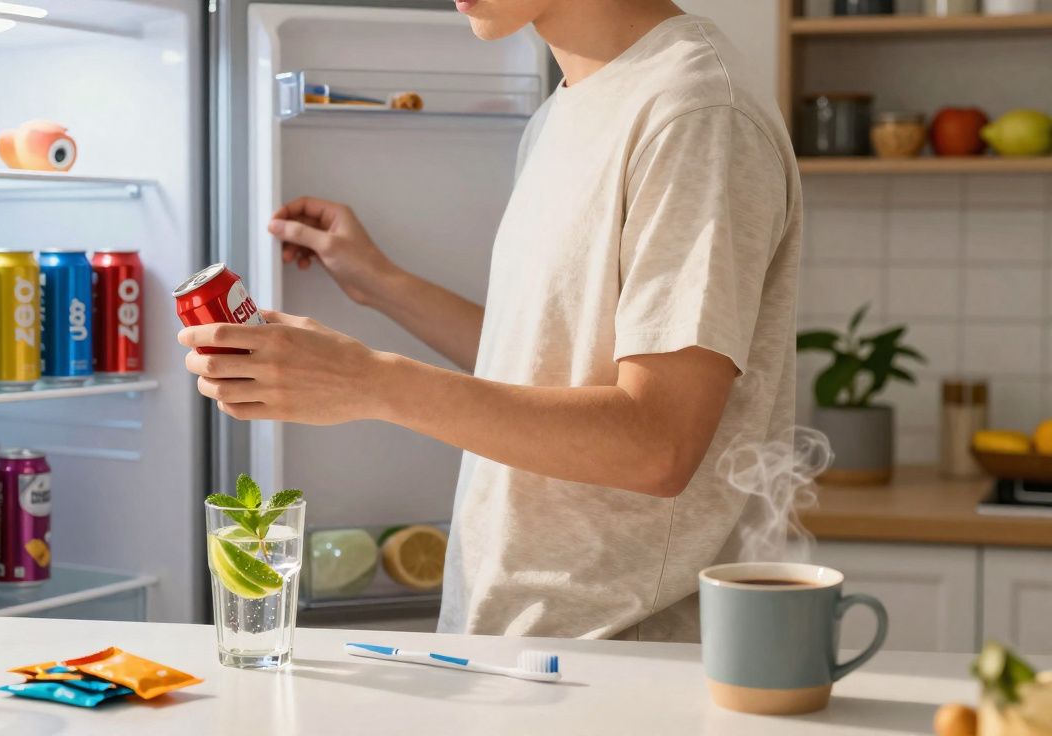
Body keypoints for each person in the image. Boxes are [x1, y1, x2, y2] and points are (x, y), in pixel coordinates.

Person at [179, 0, 800, 641]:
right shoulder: (566, 108)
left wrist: (368, 382)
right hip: (516, 637)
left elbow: (657, 446)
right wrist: (382, 284)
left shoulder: (696, 112)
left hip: (621, 652)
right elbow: (549, 364)